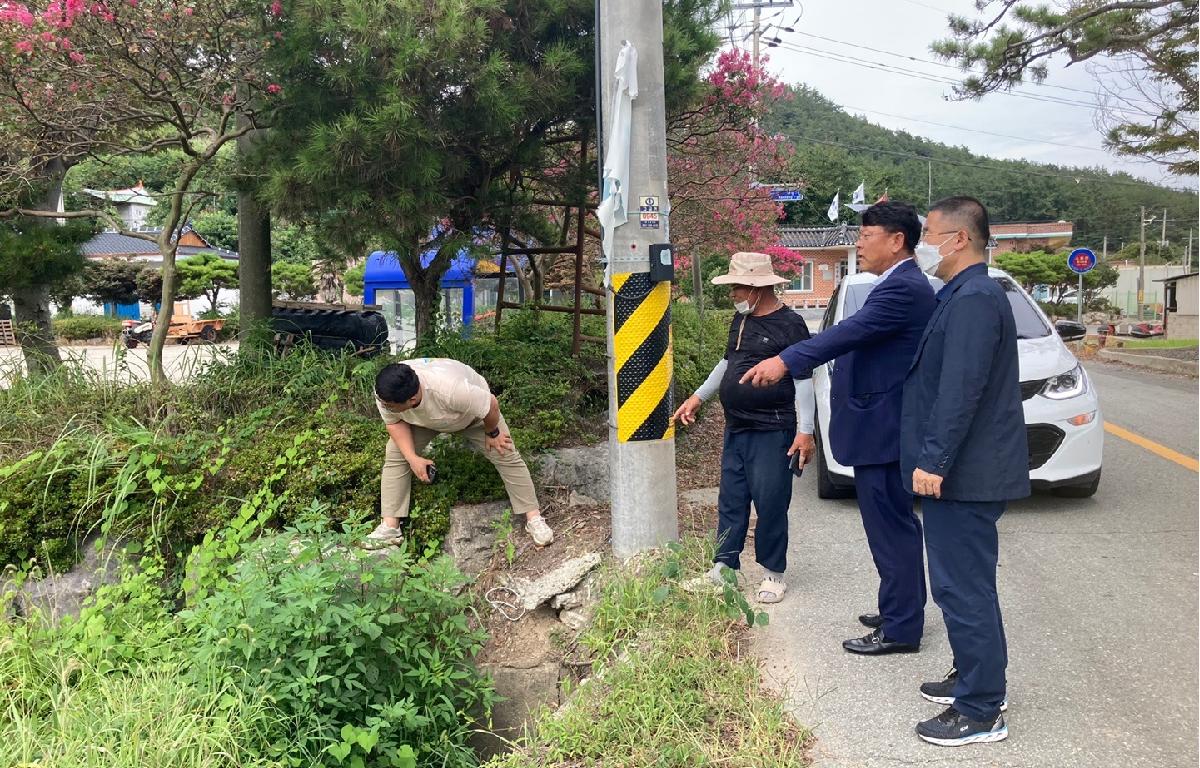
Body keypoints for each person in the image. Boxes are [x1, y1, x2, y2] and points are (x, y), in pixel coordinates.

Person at [740, 202, 935, 654]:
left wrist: (785, 360)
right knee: (889, 527)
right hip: (881, 425)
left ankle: (902, 627)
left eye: (867, 236)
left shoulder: (903, 287)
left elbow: (849, 334)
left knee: (891, 529)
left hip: (884, 430)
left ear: (896, 240)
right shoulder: (896, 283)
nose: (860, 244)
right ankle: (897, 607)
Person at [903, 196, 1029, 746]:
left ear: (957, 239)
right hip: (964, 470)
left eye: (929, 232)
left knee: (964, 588)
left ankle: (982, 710)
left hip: (965, 474)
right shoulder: (961, 293)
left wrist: (935, 460)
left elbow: (961, 389)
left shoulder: (975, 297)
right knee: (961, 586)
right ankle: (970, 680)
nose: (923, 242)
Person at [673, 251, 814, 604]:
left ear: (755, 287)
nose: (732, 294)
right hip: (736, 427)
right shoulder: (742, 320)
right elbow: (727, 363)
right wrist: (698, 397)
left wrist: (805, 431)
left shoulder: (790, 324)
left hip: (773, 429)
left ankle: (773, 573)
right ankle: (723, 568)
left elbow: (805, 380)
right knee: (732, 500)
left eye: (736, 286)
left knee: (770, 501)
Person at [367, 359, 554, 547]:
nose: (384, 406)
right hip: (423, 421)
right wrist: (412, 458)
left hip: (470, 417)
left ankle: (534, 518)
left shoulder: (452, 390)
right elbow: (394, 423)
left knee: (504, 452)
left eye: (389, 405)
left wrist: (492, 433)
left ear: (412, 399)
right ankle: (390, 527)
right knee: (396, 454)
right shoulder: (386, 392)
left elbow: (491, 405)